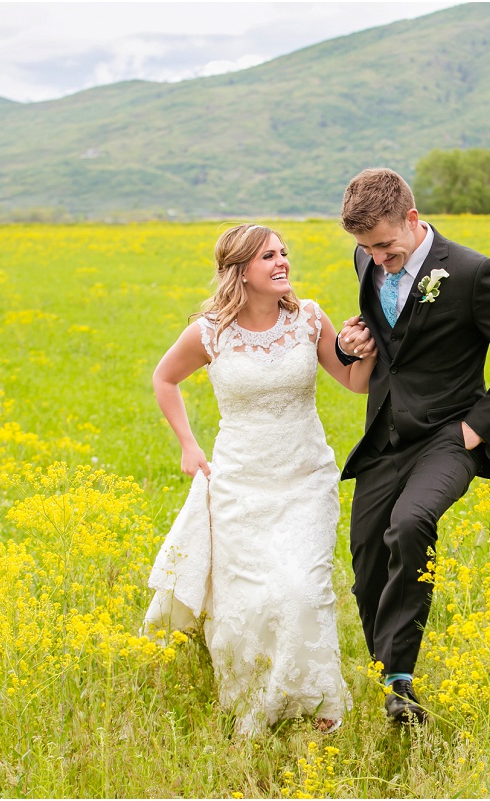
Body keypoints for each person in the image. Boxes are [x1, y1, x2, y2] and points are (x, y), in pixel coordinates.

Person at [143, 223, 377, 736]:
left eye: (284, 253)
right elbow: (164, 378)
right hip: (240, 484)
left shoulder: (309, 319)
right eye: (268, 256)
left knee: (302, 588)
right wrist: (188, 444)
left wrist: (363, 351)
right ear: (240, 271)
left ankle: (321, 707)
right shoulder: (211, 331)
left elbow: (356, 383)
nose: (282, 262)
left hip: (305, 480)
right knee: (250, 600)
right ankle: (256, 702)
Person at [333, 168, 490, 724]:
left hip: (450, 437)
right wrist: (348, 342)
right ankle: (387, 671)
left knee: (411, 524)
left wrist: (477, 429)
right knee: (366, 562)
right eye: (366, 248)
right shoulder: (369, 259)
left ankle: (400, 682)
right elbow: (383, 339)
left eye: (385, 244)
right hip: (385, 435)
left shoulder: (474, 273)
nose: (378, 258)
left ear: (412, 218)